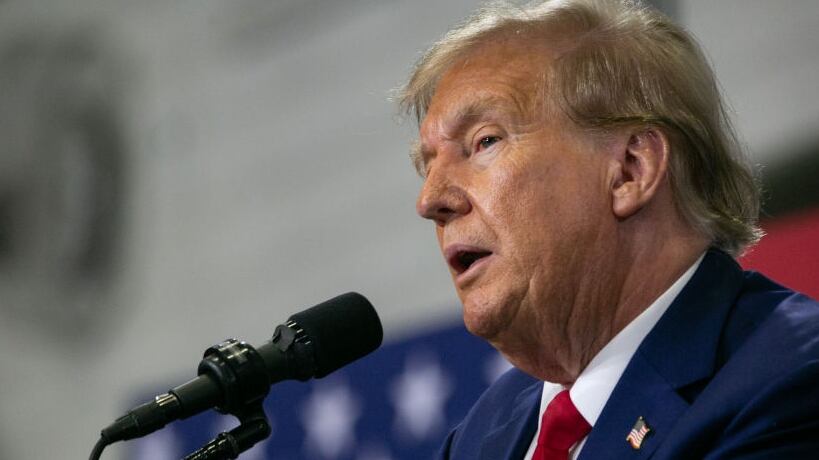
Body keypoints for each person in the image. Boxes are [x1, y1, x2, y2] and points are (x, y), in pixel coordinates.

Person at [399, 0, 819, 458]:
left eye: (484, 141)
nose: (430, 200)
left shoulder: (789, 379)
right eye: (427, 167)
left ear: (630, 170)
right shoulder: (481, 435)